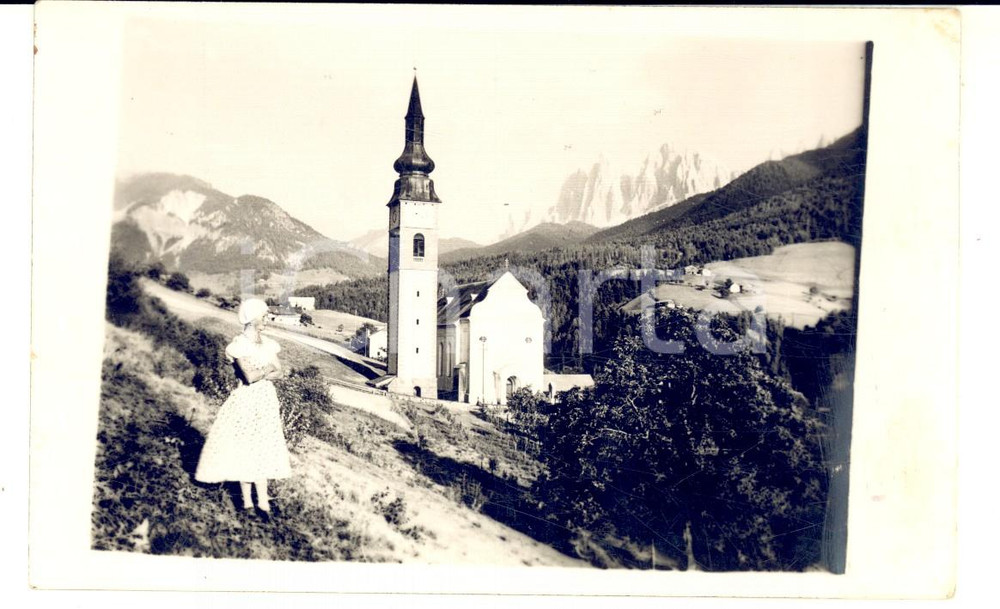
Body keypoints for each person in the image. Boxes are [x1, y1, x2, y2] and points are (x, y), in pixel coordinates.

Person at [195, 298, 291, 521]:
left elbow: (281, 371)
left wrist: (261, 370)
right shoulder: (239, 345)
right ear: (253, 318)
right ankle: (248, 503)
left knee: (262, 448)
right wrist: (267, 368)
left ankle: (264, 503)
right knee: (246, 448)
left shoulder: (267, 344)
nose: (267, 319)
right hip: (247, 401)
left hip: (266, 401)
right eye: (264, 316)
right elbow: (249, 377)